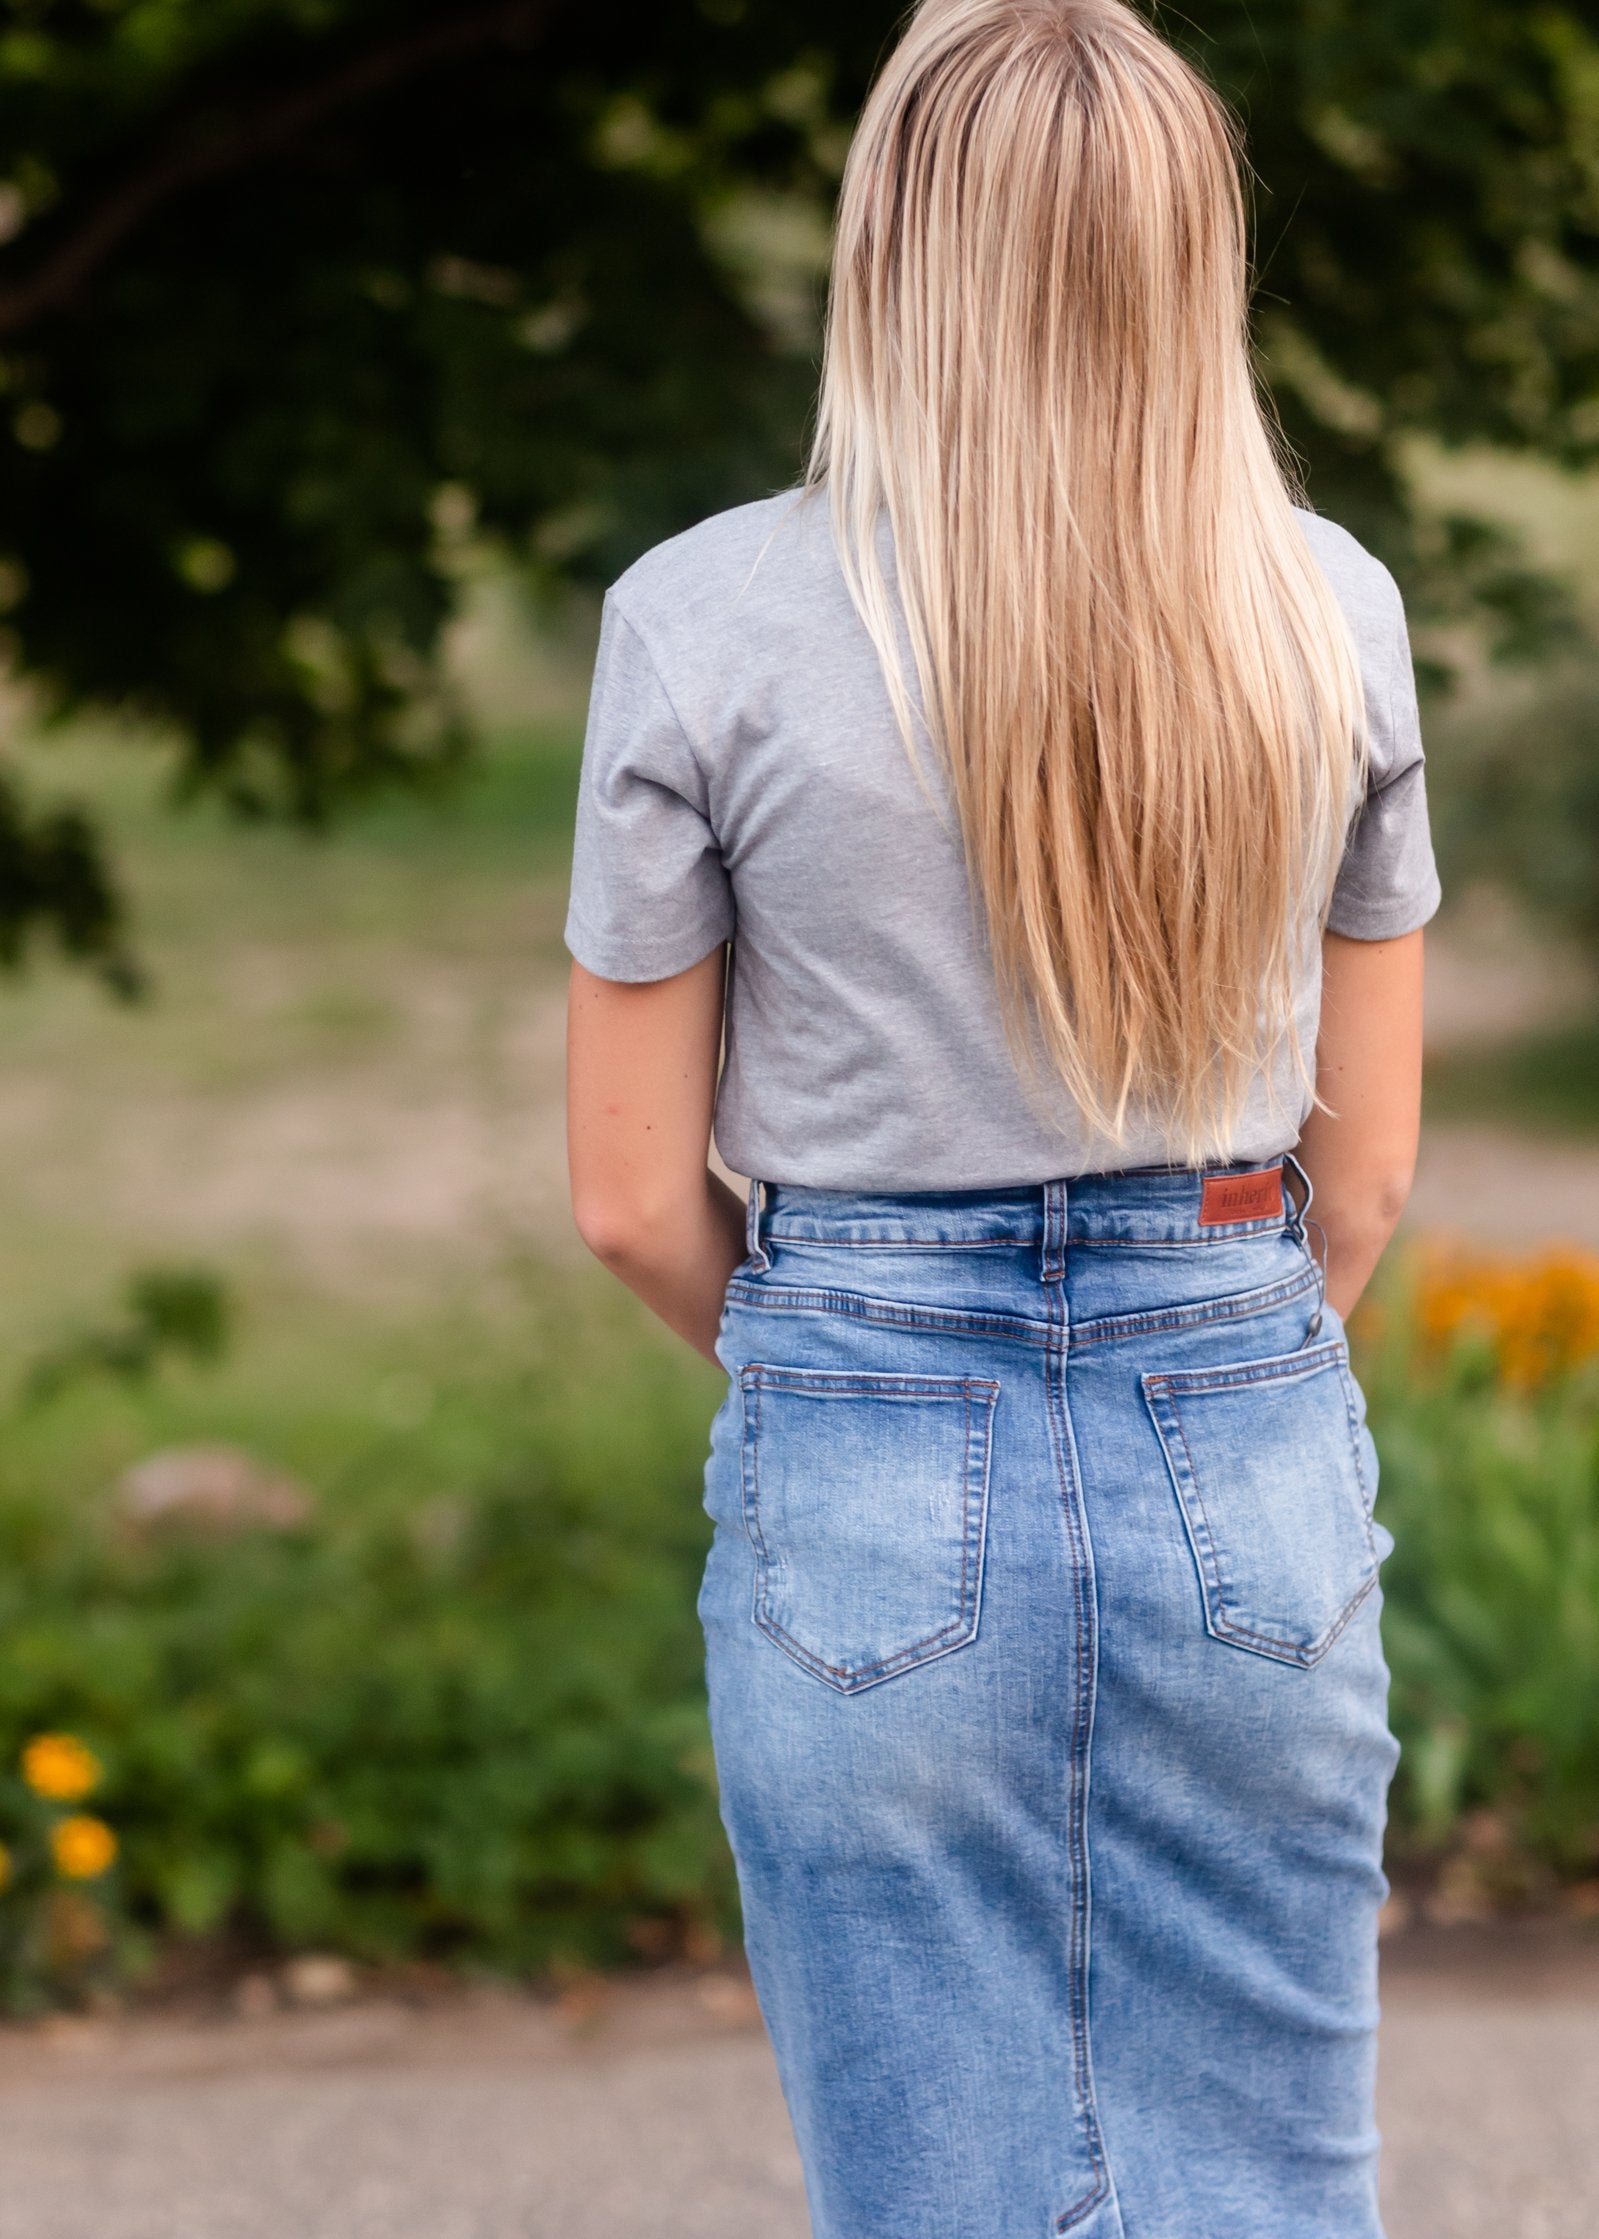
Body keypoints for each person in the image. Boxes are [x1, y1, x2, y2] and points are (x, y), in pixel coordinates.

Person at [563, 3, 1437, 2232]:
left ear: (889, 239)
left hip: (861, 1417)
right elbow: (1364, 1179)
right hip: (1234, 1413)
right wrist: (1199, 1331)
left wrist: (859, 1356)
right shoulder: (1325, 614)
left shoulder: (698, 623)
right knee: (1261, 2192)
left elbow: (631, 1201)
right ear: (1185, 253)